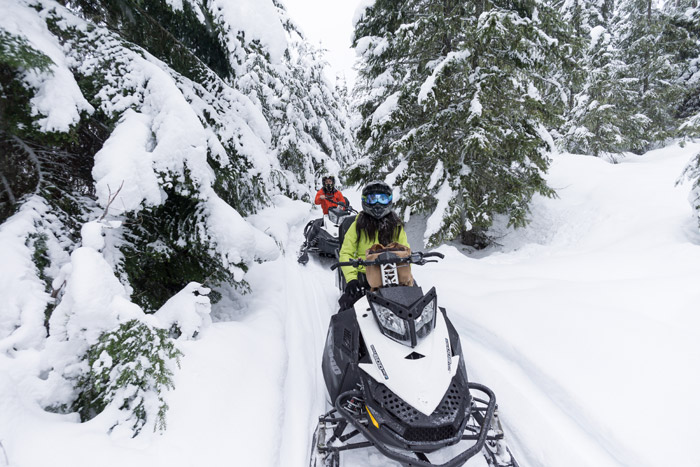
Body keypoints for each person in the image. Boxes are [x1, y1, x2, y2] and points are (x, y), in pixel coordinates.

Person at [338, 180, 409, 309]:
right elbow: (346, 252)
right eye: (372, 199)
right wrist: (352, 279)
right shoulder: (358, 225)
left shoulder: (396, 226)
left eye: (382, 199)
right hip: (364, 274)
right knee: (348, 308)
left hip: (392, 274)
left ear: (388, 200)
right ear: (365, 201)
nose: (377, 204)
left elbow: (405, 250)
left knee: (413, 304)